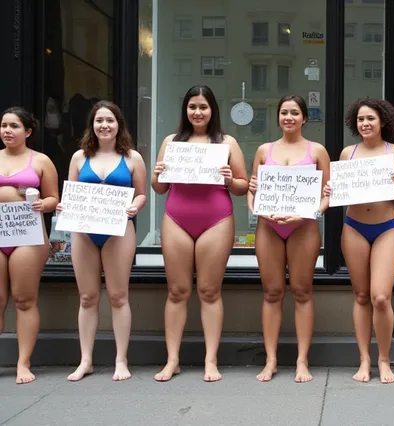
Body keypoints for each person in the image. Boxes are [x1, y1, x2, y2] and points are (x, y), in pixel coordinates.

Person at [151, 86, 249, 382]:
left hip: (216, 220)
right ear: (185, 109)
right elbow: (159, 189)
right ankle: (172, 360)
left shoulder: (227, 142)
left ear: (212, 110)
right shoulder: (171, 141)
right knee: (177, 291)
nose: (197, 112)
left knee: (209, 291)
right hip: (176, 219)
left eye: (203, 107)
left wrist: (232, 179)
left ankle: (210, 360)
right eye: (192, 106)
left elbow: (243, 187)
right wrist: (157, 174)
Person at [322, 98, 394, 383]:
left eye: (370, 118)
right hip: (355, 227)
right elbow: (338, 192)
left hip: (388, 227)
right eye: (360, 119)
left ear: (383, 121)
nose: (365, 124)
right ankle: (364, 360)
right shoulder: (348, 153)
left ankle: (385, 360)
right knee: (361, 296)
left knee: (381, 297)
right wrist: (330, 188)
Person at [58, 101, 147, 382]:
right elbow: (69, 193)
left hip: (119, 230)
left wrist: (135, 206)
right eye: (99, 121)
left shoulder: (133, 158)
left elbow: (142, 194)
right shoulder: (78, 158)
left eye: (110, 120)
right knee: (87, 297)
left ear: (119, 124)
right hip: (84, 232)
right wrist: (63, 206)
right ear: (92, 125)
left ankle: (121, 359)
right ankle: (86, 360)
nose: (104, 125)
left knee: (119, 296)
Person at [247, 95, 331, 383]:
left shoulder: (317, 151)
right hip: (269, 226)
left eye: (295, 113)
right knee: (271, 292)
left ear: (304, 118)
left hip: (303, 226)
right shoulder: (263, 150)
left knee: (302, 290)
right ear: (278, 117)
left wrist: (310, 214)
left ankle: (301, 361)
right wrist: (255, 206)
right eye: (284, 112)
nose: (289, 117)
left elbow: (327, 195)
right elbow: (251, 189)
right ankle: (270, 360)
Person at [0, 107, 59, 384]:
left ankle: (23, 363)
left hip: (27, 234)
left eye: (14, 126)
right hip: (1, 232)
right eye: (3, 126)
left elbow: (53, 199)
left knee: (24, 298)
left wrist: (42, 204)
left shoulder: (41, 161)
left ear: (28, 131)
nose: (7, 131)